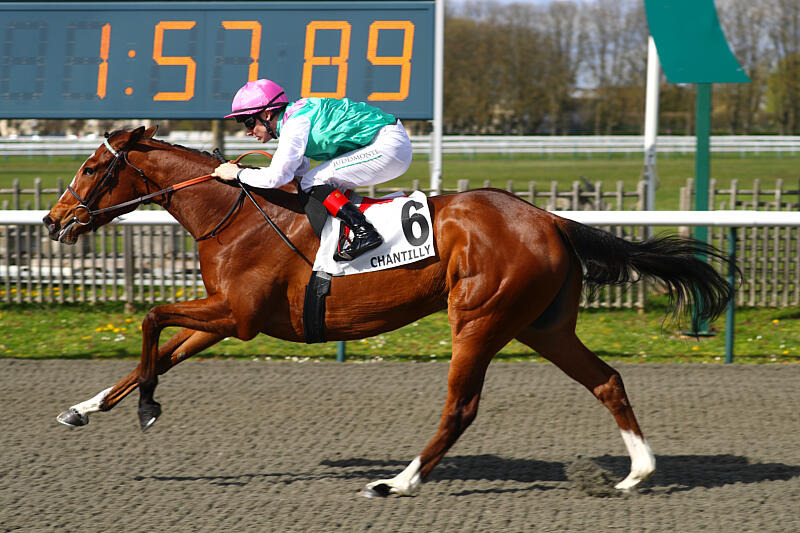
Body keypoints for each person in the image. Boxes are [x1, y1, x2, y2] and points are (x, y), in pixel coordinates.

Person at [213, 79, 413, 261]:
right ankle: (350, 230)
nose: (248, 131)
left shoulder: (294, 124)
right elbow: (297, 172)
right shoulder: (295, 116)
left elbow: (277, 177)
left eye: (249, 122)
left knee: (314, 181)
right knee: (313, 182)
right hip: (388, 142)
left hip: (388, 145)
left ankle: (364, 232)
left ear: (267, 114)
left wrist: (237, 173)